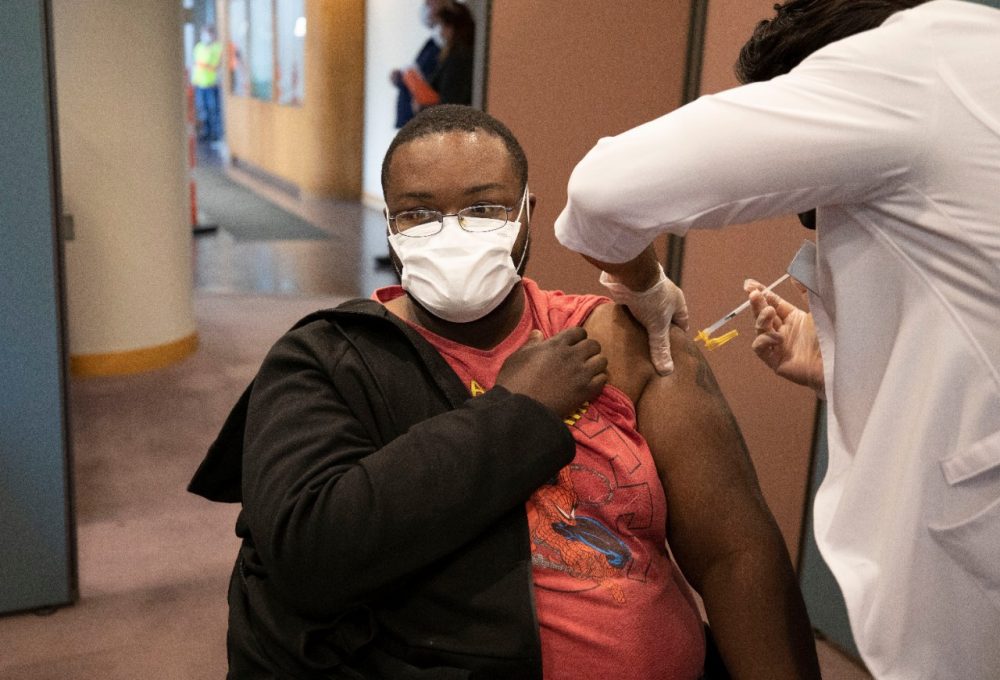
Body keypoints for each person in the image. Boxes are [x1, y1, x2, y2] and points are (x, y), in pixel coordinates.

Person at [189, 105, 821, 679]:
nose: (452, 233)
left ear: (527, 215)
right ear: (388, 227)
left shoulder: (626, 342)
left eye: (485, 208)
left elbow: (735, 556)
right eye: (418, 214)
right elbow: (312, 555)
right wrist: (517, 409)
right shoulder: (330, 360)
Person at [553, 1, 1000, 678]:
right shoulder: (974, 56)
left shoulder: (905, 67)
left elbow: (603, 190)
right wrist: (849, 370)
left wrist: (646, 287)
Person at [391, 0, 452, 129]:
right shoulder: (432, 42)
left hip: (424, 120)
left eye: (430, 3)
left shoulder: (449, 47)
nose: (427, 7)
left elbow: (436, 88)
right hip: (411, 121)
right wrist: (401, 78)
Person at [192, 24, 223, 142]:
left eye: (208, 33)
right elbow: (196, 64)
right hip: (200, 83)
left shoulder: (217, 48)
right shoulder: (199, 47)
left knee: (213, 109)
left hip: (211, 84)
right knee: (202, 109)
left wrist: (205, 65)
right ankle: (206, 132)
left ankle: (215, 134)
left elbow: (214, 65)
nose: (205, 36)